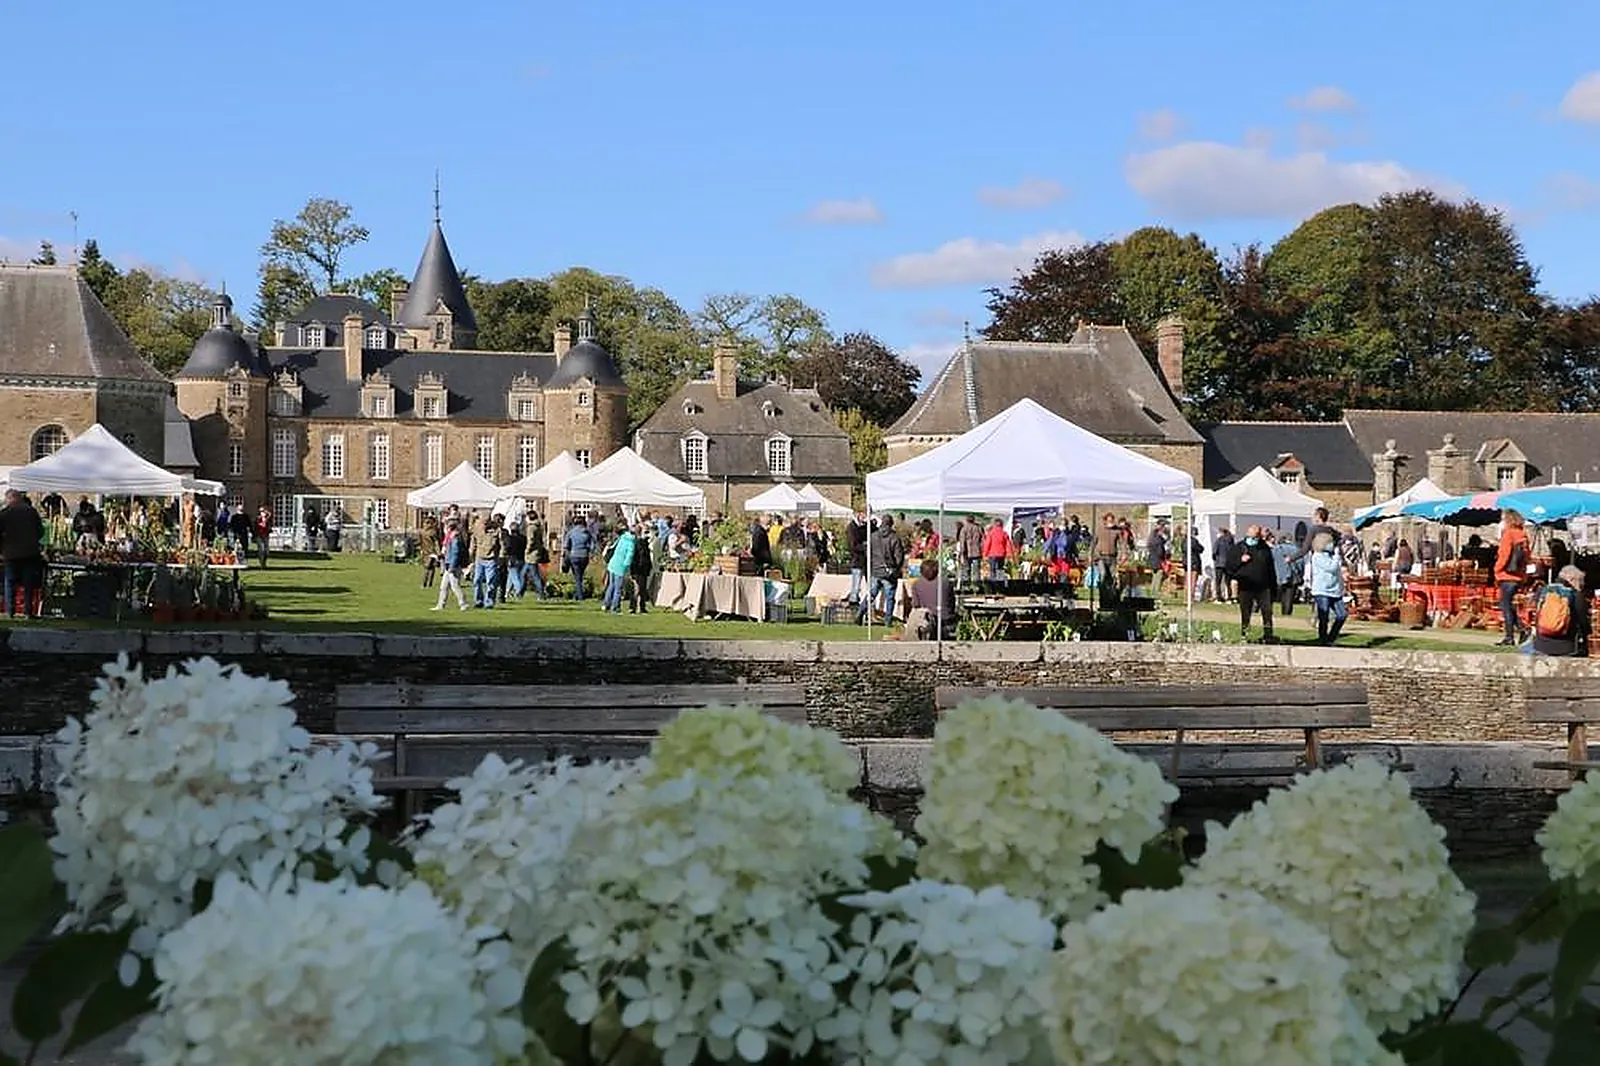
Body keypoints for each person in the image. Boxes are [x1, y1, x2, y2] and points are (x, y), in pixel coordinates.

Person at [1227, 524, 1278, 642]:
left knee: (1267, 611)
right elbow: (1229, 566)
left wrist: (1273, 586)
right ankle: (1244, 634)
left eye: (1256, 537)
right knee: (1245, 611)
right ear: (1247, 534)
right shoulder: (1238, 547)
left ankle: (1268, 634)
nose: (1254, 539)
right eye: (1252, 536)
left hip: (1263, 586)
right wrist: (1240, 560)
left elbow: (1270, 568)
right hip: (1246, 585)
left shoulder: (1264, 548)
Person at [0, 490, 44, 619]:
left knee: (10, 581)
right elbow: (40, 531)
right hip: (30, 552)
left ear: (10, 499)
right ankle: (28, 611)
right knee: (28, 583)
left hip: (10, 553)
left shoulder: (5, 513)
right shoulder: (31, 511)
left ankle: (10, 611)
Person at [1530, 565, 1589, 657]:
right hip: (1567, 648)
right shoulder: (1575, 595)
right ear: (1572, 579)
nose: (1582, 585)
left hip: (1540, 647)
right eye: (1580, 581)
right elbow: (1583, 622)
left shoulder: (1542, 592)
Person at [1493, 509, 1531, 646]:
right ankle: (1522, 629)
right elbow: (1527, 557)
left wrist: (1496, 570)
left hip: (1506, 575)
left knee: (1505, 606)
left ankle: (1510, 636)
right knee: (1508, 605)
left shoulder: (1508, 534)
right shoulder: (1523, 535)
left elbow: (1504, 555)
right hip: (1518, 576)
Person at [859, 516, 905, 625]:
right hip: (889, 572)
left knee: (871, 595)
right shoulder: (894, 538)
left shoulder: (872, 536)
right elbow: (899, 557)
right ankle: (888, 620)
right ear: (891, 524)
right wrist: (897, 568)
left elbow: (868, 553)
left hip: (875, 570)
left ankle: (860, 612)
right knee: (890, 598)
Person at [1308, 533, 1349, 646]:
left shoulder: (1332, 556)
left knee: (1342, 615)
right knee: (1324, 616)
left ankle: (1332, 637)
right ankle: (1323, 639)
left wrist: (1342, 587)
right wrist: (1337, 556)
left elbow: (1338, 572)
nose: (1332, 545)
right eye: (1330, 543)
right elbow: (1331, 568)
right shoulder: (1317, 557)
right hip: (1322, 590)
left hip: (1335, 591)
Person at [908, 558, 955, 640]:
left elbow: (916, 605)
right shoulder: (946, 582)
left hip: (927, 620)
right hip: (946, 618)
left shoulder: (916, 584)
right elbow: (952, 601)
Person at [430, 520, 469, 611]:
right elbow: (447, 552)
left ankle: (463, 604)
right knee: (444, 586)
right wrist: (439, 556)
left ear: (449, 528)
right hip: (448, 565)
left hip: (453, 566)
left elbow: (455, 553)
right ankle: (440, 605)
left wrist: (452, 566)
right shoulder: (449, 538)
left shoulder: (455, 538)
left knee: (455, 586)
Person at [603, 524, 636, 613]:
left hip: (612, 564)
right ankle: (615, 607)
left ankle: (606, 604)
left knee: (611, 586)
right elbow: (629, 556)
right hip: (620, 567)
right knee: (618, 589)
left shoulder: (622, 538)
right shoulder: (631, 542)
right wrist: (627, 567)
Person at [563, 517, 595, 600]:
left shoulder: (571, 532)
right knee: (580, 575)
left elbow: (566, 545)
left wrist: (567, 555)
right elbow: (592, 545)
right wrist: (590, 553)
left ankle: (580, 596)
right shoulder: (587, 532)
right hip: (584, 556)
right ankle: (576, 594)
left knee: (577, 577)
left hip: (574, 555)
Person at [629, 521, 655, 613]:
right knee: (637, 588)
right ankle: (634, 607)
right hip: (638, 568)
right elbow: (638, 557)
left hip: (642, 568)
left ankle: (640, 607)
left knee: (642, 588)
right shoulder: (638, 543)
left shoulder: (643, 542)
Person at [846, 511, 869, 605]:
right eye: (864, 515)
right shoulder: (851, 527)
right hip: (857, 559)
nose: (865, 517)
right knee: (856, 584)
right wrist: (865, 546)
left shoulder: (865, 526)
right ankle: (853, 601)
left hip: (866, 560)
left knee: (868, 583)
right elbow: (853, 545)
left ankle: (867, 602)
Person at [981, 517, 1012, 585]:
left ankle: (993, 585)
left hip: (992, 554)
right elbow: (1008, 545)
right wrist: (1009, 554)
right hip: (1001, 554)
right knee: (1000, 570)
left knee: (992, 570)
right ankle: (1000, 584)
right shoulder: (1004, 533)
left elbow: (987, 544)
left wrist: (984, 554)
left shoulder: (991, 533)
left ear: (994, 524)